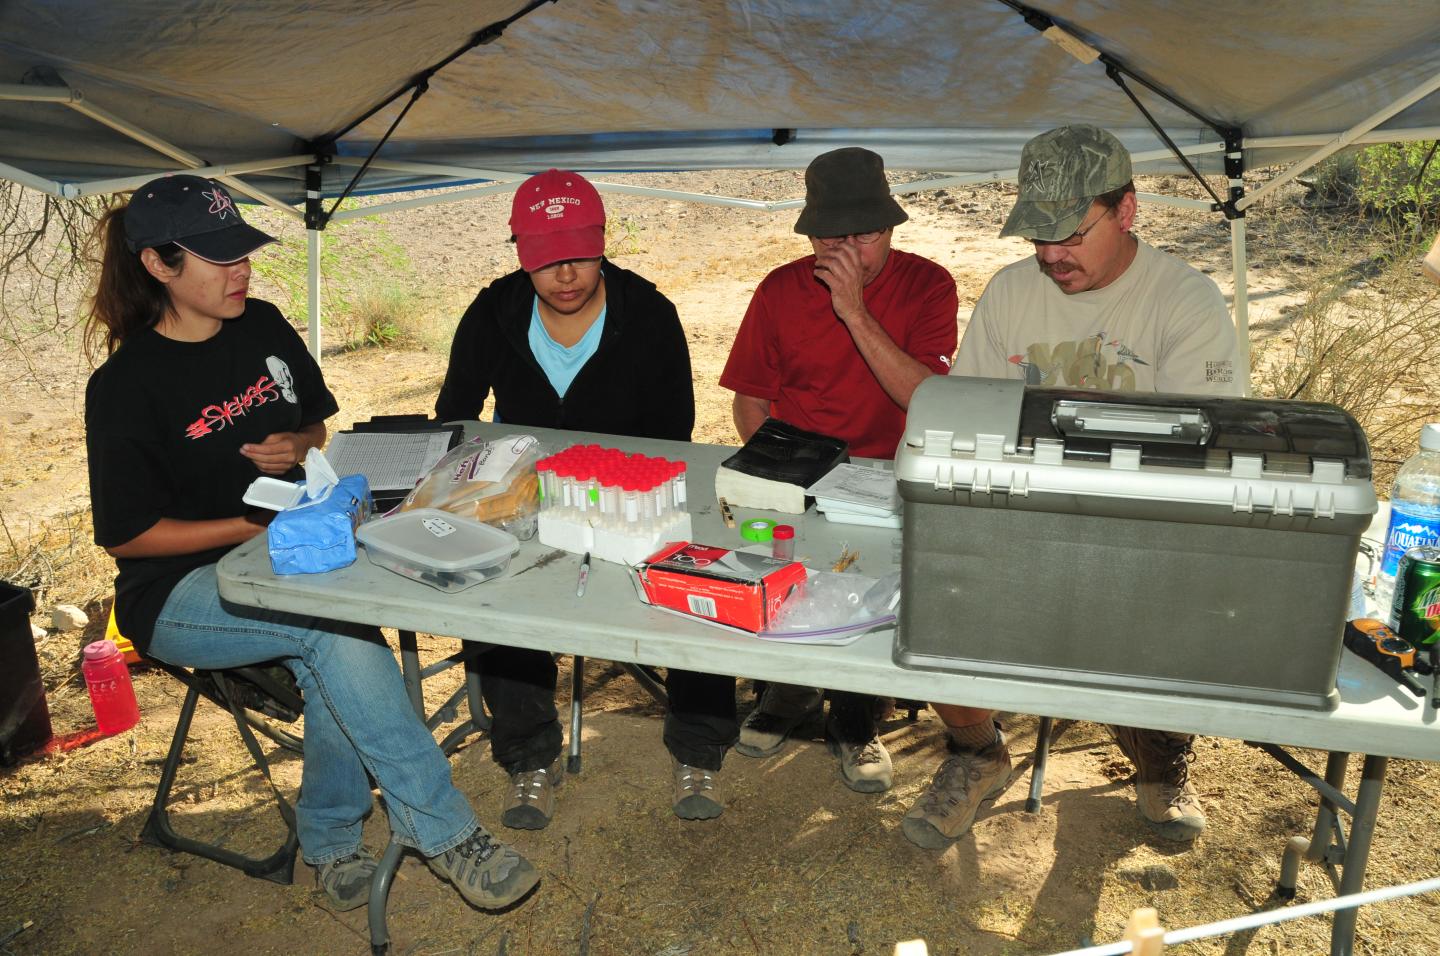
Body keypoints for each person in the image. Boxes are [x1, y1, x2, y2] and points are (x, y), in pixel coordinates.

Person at [84, 175, 539, 915]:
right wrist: (251, 528)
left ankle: (329, 840)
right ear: (159, 266)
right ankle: (446, 833)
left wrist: (294, 441)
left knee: (346, 632)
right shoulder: (125, 386)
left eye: (243, 254)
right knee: (332, 634)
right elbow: (130, 537)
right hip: (179, 587)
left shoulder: (261, 326)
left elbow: (318, 428)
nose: (242, 272)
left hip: (293, 543)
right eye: (219, 259)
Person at [902, 125, 1241, 851]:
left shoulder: (1185, 301)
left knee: (1171, 593)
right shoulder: (1010, 293)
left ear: (1128, 210)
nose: (1052, 256)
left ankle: (1157, 751)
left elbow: (1202, 459)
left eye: (1070, 234)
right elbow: (970, 418)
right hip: (1024, 519)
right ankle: (976, 750)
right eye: (1037, 237)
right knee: (932, 589)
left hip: (1142, 527)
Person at [434, 170, 715, 823]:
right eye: (544, 260)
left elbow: (677, 438)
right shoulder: (494, 312)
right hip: (526, 498)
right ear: (519, 254)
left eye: (580, 256)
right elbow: (456, 420)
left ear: (603, 243)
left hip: (628, 498)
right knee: (494, 592)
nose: (565, 275)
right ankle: (528, 757)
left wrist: (620, 495)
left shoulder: (650, 315)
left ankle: (698, 749)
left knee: (692, 579)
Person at [719, 147, 959, 794]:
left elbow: (925, 397)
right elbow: (750, 397)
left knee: (866, 597)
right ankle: (785, 695)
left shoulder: (928, 285)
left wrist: (853, 307)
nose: (849, 249)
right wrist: (776, 472)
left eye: (866, 234)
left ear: (893, 227)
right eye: (832, 236)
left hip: (888, 475)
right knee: (784, 577)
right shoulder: (778, 290)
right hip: (794, 470)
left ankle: (856, 723)